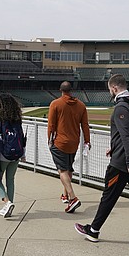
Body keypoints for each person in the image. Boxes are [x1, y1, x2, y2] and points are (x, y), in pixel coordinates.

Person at [75, 74, 129, 251]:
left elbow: (128, 137)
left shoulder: (121, 107)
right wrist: (114, 147)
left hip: (124, 164)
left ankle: (93, 231)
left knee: (109, 197)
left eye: (109, 89)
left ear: (114, 88)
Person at [47, 81, 91, 213]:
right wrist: (87, 142)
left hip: (60, 142)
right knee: (68, 168)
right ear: (71, 90)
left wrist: (49, 140)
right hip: (74, 142)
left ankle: (72, 197)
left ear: (60, 90)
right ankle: (65, 195)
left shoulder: (55, 104)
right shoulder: (81, 105)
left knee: (62, 170)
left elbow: (51, 125)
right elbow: (85, 126)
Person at [0, 93, 26, 218]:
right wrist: (23, 154)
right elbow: (21, 137)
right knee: (10, 180)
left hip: (3, 153)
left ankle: (7, 202)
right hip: (17, 153)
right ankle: (8, 205)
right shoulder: (17, 118)